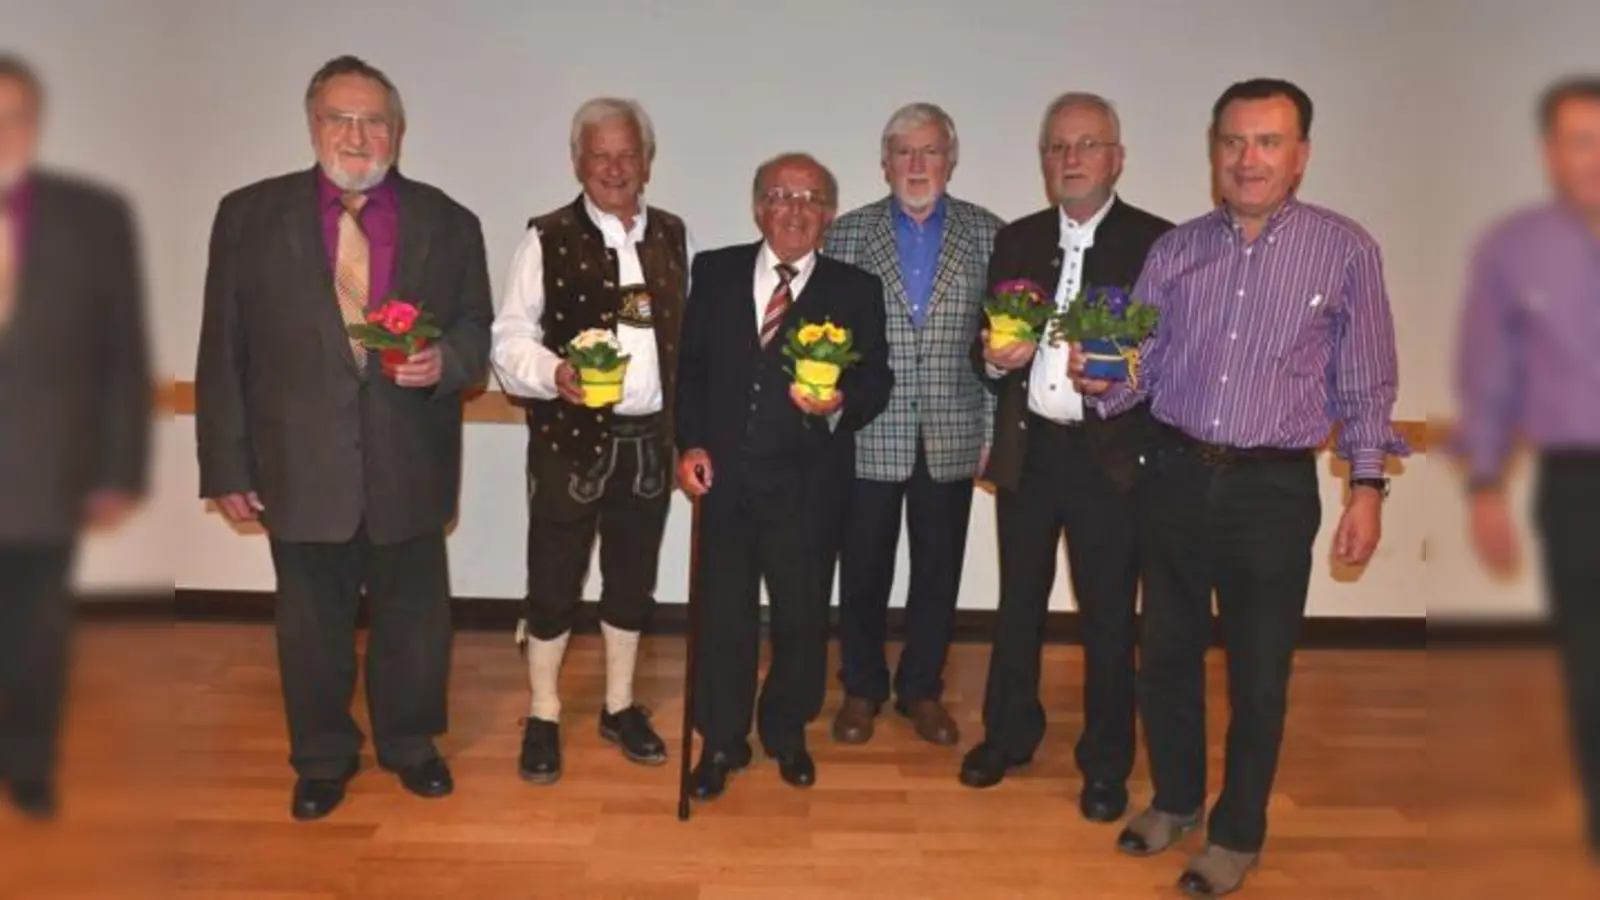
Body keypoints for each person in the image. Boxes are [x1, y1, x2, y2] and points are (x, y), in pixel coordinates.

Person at [1075, 78, 1406, 895]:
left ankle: (1236, 833)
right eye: (1233, 141)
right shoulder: (1176, 251)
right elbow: (1141, 367)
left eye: (1267, 142)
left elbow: (1367, 383)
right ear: (1214, 151)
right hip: (1173, 476)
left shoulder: (1345, 250)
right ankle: (1176, 799)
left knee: (1259, 676)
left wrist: (1367, 489)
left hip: (1271, 494)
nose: (1247, 159)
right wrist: (1102, 379)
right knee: (1166, 658)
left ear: (1300, 156)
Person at [195, 55, 493, 821]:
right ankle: (322, 758)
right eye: (340, 119)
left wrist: (446, 361)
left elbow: (475, 328)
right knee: (310, 628)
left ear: (398, 130)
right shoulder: (247, 216)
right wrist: (224, 463)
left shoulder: (451, 222)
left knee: (416, 623)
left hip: (410, 461)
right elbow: (222, 347)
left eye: (373, 122)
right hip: (298, 468)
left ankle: (411, 745)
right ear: (313, 124)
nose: (357, 137)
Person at [960, 93, 1173, 827]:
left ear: (1117, 158)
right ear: (1044, 161)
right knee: (1018, 602)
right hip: (1031, 452)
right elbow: (983, 345)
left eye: (1086, 145)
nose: (1070, 159)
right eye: (1057, 147)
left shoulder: (1157, 244)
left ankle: (1107, 763)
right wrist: (993, 359)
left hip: (1110, 461)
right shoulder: (1016, 239)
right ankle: (1007, 736)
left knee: (1109, 616)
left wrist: (1128, 375)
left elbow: (1175, 356)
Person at [674, 152, 892, 801]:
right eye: (781, 195)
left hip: (809, 486)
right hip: (725, 481)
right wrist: (689, 445)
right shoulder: (715, 272)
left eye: (811, 198)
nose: (795, 209)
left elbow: (875, 380)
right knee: (724, 617)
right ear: (758, 207)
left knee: (801, 618)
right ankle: (721, 740)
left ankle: (786, 730)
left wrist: (840, 403)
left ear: (829, 215)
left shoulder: (855, 289)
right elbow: (691, 371)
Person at [490, 97, 692, 783]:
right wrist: (555, 373)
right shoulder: (545, 237)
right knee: (553, 578)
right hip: (569, 439)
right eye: (600, 155)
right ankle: (544, 711)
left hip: (648, 443)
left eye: (627, 154)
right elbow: (509, 337)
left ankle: (619, 705)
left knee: (631, 580)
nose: (614, 167)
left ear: (646, 161)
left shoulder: (673, 235)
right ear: (578, 162)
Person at [820, 102, 1003, 748]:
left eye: (930, 151)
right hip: (868, 432)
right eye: (904, 152)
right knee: (862, 570)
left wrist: (992, 431)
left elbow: (1001, 342)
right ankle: (861, 687)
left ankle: (922, 689)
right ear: (885, 163)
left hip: (954, 431)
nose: (917, 164)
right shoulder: (847, 234)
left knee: (938, 572)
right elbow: (827, 338)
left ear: (951, 160)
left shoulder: (989, 234)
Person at [0, 54, 152, 819]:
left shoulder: (93, 215)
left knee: (34, 632)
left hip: (44, 469)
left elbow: (122, 349)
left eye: (15, 117)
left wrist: (119, 469)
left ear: (37, 123)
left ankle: (27, 765)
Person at [1453, 74, 1600, 858]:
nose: (1594, 157)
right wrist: (1485, 485)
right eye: (1580, 140)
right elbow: (1491, 374)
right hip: (1578, 487)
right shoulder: (1515, 247)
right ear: (1551, 152)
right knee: (1590, 666)